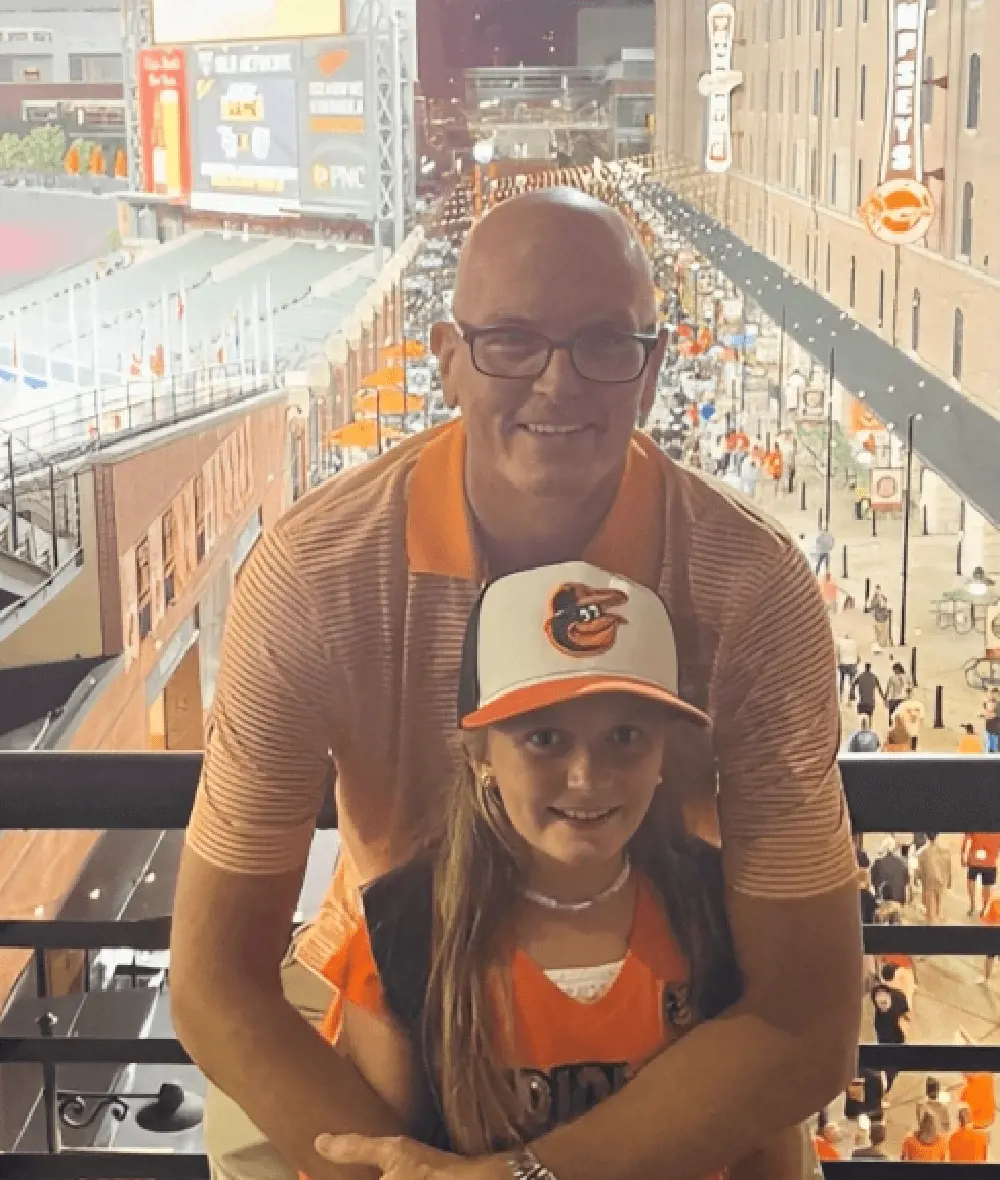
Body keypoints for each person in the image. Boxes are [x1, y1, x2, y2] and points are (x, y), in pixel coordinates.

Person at [170, 189, 860, 1180]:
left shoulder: (749, 591)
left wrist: (529, 1175)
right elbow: (213, 980)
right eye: (511, 342)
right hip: (390, 996)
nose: (558, 381)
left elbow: (803, 1013)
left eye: (602, 343)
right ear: (447, 357)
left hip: (654, 1010)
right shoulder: (317, 577)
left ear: (652, 367)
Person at [315, 562, 805, 1179]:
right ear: (479, 753)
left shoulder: (720, 910)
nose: (586, 777)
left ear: (662, 754)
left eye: (625, 735)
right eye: (544, 738)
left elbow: (767, 1136)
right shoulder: (403, 935)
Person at [871, 973, 910, 1093]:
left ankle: (883, 1084)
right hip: (897, 1032)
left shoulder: (876, 993)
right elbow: (906, 1014)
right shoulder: (900, 995)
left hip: (883, 1031)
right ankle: (889, 1083)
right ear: (894, 976)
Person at [915, 834, 952, 925]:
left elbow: (919, 872)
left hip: (929, 884)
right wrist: (949, 882)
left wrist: (917, 879)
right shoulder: (945, 852)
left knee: (930, 914)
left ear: (926, 836)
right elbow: (949, 869)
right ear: (937, 835)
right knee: (939, 911)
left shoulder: (922, 853)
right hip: (942, 883)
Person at [962, 832, 1000, 917]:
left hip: (974, 860)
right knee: (987, 887)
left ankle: (972, 904)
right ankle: (984, 908)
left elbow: (966, 840)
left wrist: (963, 856)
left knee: (970, 881)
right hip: (990, 863)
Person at [835, 634, 859, 702]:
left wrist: (839, 663)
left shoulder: (840, 642)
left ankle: (841, 697)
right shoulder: (854, 643)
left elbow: (838, 654)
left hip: (843, 663)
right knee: (851, 682)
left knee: (842, 680)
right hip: (852, 664)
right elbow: (857, 655)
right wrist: (856, 663)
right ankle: (850, 699)